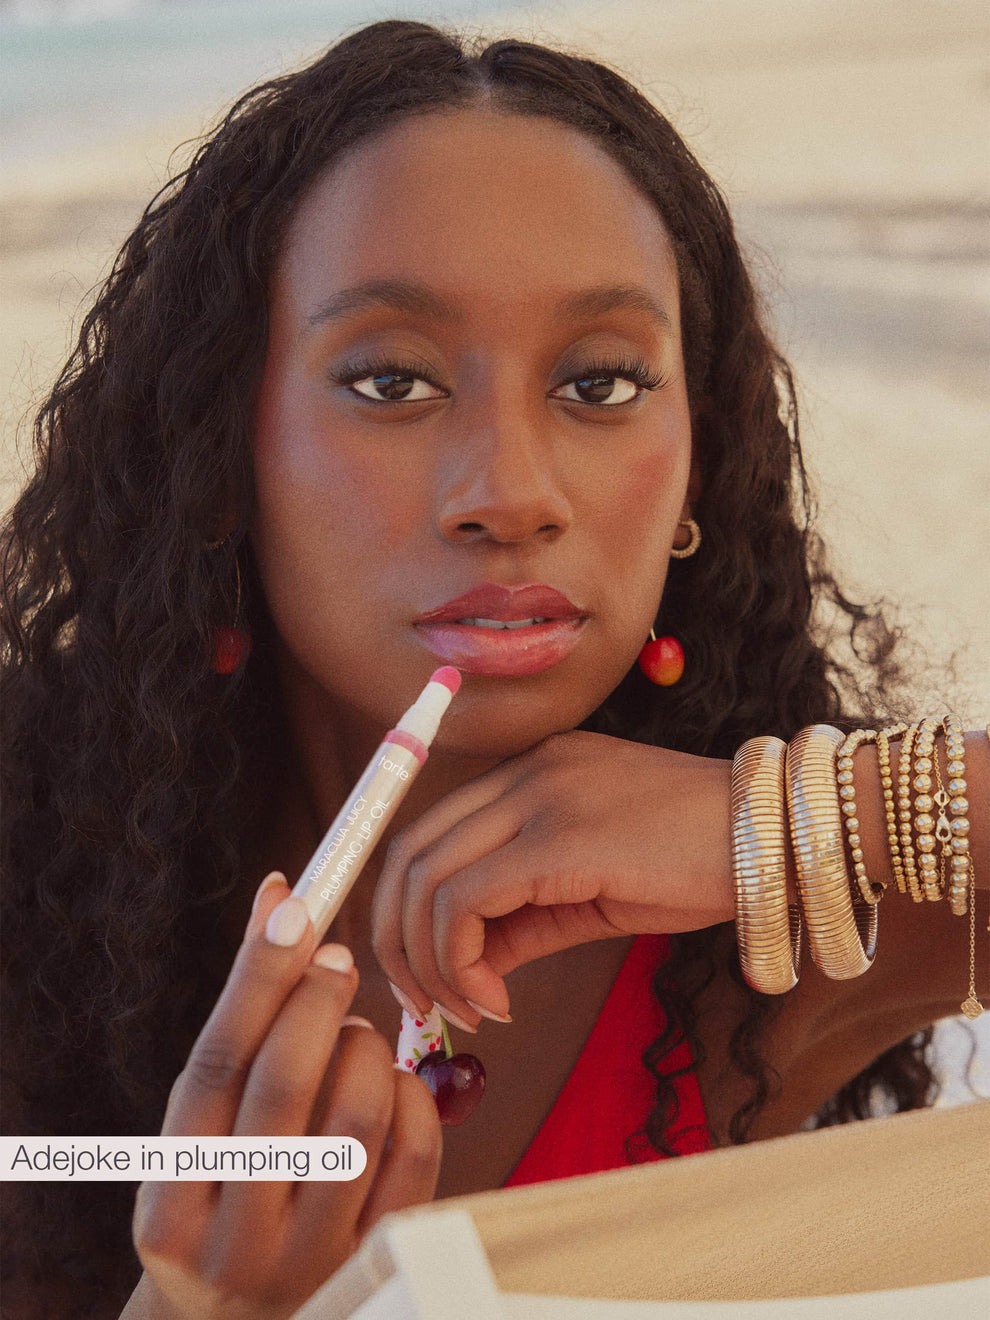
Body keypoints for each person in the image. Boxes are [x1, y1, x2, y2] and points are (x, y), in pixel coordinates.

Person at [1, 18, 985, 1320]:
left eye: (599, 383)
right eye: (393, 380)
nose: (510, 495)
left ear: (702, 457)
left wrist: (782, 822)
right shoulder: (32, 881)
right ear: (219, 453)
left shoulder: (776, 937)